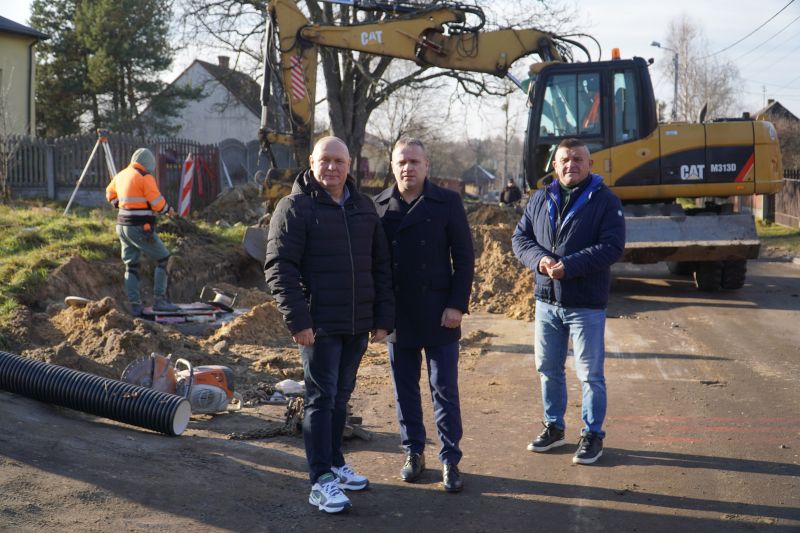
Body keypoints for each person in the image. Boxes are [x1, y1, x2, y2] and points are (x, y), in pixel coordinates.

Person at [264, 136, 394, 514]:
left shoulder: (364, 208)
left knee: (341, 396)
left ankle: (335, 462)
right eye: (325, 160)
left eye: (339, 161)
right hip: (318, 326)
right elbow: (279, 268)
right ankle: (320, 480)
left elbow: (380, 266)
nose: (332, 167)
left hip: (356, 324)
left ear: (350, 164)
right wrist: (298, 321)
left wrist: (382, 318)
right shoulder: (295, 207)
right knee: (321, 399)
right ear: (311, 162)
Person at [512, 138, 625, 464]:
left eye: (577, 159)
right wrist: (540, 261)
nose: (570, 165)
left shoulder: (605, 201)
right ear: (554, 164)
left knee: (589, 374)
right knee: (548, 368)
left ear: (590, 164)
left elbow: (612, 246)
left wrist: (569, 267)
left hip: (585, 305)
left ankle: (592, 435)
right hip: (546, 301)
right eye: (564, 159)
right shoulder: (540, 197)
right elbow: (521, 238)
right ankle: (553, 427)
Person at [373, 138, 475, 493]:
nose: (408, 168)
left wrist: (457, 305)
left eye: (414, 162)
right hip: (399, 315)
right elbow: (376, 267)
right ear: (392, 165)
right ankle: (413, 451)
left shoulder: (447, 202)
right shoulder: (380, 206)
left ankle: (450, 458)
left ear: (426, 166)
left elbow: (464, 258)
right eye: (401, 162)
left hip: (439, 313)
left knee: (444, 389)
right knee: (404, 390)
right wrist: (379, 316)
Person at [106, 148, 180, 316]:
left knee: (131, 266)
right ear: (149, 163)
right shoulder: (145, 177)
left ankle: (135, 306)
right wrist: (169, 210)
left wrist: (121, 205)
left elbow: (109, 193)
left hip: (122, 226)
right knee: (163, 259)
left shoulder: (122, 174)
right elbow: (156, 203)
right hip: (140, 227)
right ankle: (160, 301)